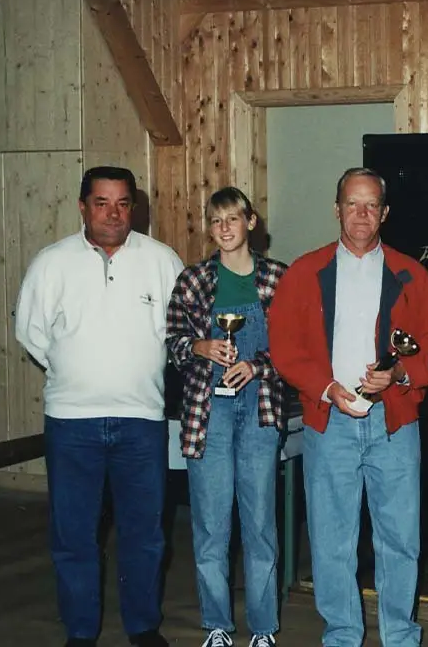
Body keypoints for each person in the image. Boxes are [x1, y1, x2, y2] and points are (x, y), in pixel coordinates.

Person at [267, 167, 428, 647]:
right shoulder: (304, 272)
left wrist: (401, 373)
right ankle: (342, 636)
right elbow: (284, 346)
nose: (361, 215)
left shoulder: (414, 275)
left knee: (400, 540)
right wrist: (326, 388)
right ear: (337, 209)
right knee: (331, 541)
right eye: (352, 204)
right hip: (330, 423)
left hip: (394, 423)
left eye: (371, 205)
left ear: (385, 213)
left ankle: (400, 637)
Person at [14, 165, 183, 647]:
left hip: (142, 421)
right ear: (83, 206)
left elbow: (178, 334)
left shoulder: (162, 261)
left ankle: (143, 627)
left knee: (145, 534)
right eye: (102, 203)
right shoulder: (51, 263)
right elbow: (31, 333)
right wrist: (77, 372)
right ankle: (80, 631)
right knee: (73, 536)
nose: (113, 214)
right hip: (72, 424)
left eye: (123, 203)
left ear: (135, 208)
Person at [165, 187, 287, 647]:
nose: (224, 228)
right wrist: (199, 346)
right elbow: (172, 341)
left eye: (232, 219)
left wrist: (257, 365)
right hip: (206, 412)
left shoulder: (278, 278)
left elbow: (296, 348)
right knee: (211, 526)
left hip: (260, 410)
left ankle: (263, 629)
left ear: (250, 222)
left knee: (260, 526)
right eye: (216, 221)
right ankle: (216, 626)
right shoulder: (193, 280)